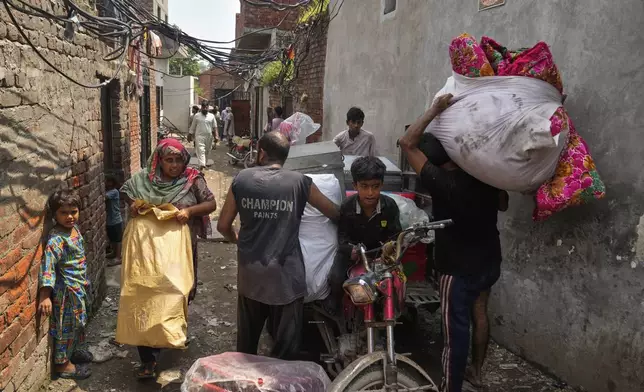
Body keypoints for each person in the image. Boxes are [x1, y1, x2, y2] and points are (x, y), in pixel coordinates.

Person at [398, 94, 509, 392]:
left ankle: (451, 387)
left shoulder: (441, 181)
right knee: (480, 314)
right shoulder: (486, 176)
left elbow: (406, 142)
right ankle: (478, 372)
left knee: (453, 333)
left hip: (457, 269)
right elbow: (503, 204)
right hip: (489, 261)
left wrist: (434, 109)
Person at [217, 131, 340, 360]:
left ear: (261, 153)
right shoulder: (300, 182)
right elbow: (333, 212)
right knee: (285, 351)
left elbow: (223, 225)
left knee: (246, 347)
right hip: (286, 278)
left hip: (251, 275)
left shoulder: (242, 179)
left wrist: (239, 241)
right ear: (285, 156)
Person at [120, 138, 217, 379]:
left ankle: (170, 333)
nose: (174, 165)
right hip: (148, 251)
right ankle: (148, 359)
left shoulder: (193, 179)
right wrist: (134, 205)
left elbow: (211, 203)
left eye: (178, 160)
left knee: (177, 291)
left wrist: (189, 211)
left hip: (179, 249)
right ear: (159, 160)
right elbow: (124, 192)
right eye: (168, 160)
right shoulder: (143, 180)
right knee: (145, 293)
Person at [326, 156, 402, 314]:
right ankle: (335, 309)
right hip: (353, 254)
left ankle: (393, 310)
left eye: (375, 186)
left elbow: (396, 235)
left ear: (382, 184)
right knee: (336, 278)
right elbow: (342, 238)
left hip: (380, 255)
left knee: (395, 281)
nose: (370, 193)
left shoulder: (390, 206)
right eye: (364, 186)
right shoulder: (347, 206)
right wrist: (352, 251)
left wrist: (389, 250)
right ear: (355, 185)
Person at [38, 190, 93, 380]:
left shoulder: (74, 230)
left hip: (79, 288)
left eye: (74, 211)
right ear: (54, 214)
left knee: (79, 323)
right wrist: (45, 295)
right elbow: (48, 267)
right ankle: (62, 364)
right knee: (65, 328)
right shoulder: (56, 240)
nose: (70, 216)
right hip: (66, 292)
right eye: (64, 212)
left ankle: (75, 352)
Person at [189, 101, 218, 171]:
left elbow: (215, 127)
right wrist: (189, 135)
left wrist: (216, 136)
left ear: (208, 108)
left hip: (209, 136)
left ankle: (203, 163)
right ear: (201, 107)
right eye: (203, 107)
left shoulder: (211, 116)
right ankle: (202, 165)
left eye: (206, 107)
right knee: (201, 150)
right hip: (199, 136)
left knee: (207, 151)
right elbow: (193, 126)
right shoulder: (197, 116)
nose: (205, 109)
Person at [105, 175, 123, 267]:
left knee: (117, 239)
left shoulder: (114, 192)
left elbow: (105, 197)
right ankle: (114, 253)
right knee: (112, 238)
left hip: (116, 219)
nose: (106, 183)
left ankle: (118, 257)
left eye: (108, 182)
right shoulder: (109, 191)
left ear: (113, 183)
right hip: (110, 220)